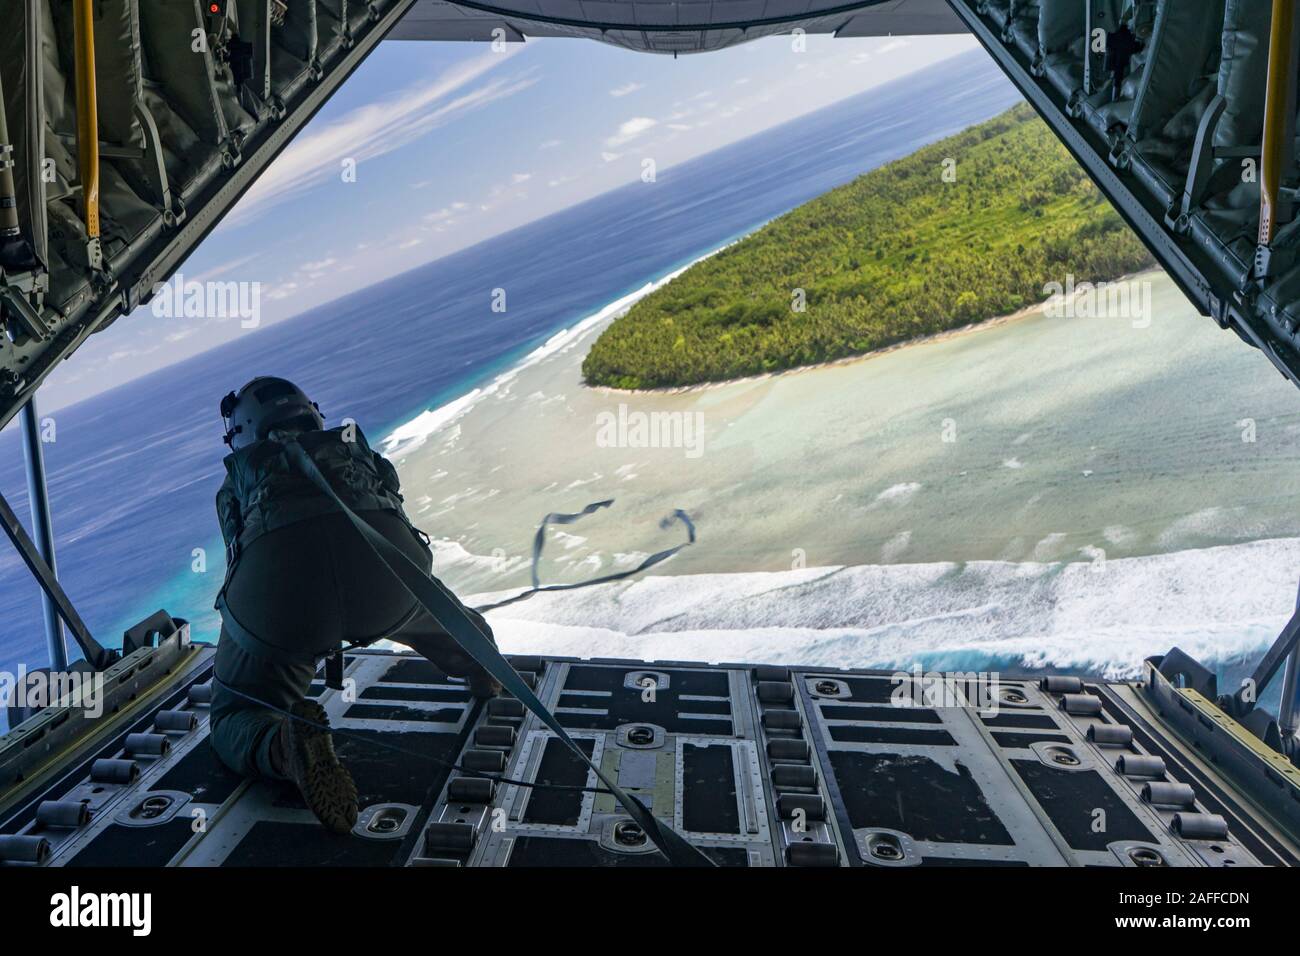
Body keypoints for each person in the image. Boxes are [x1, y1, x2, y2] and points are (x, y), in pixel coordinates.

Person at [208, 376, 499, 834]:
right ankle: (481, 667)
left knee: (234, 714)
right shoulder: (350, 449)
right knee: (454, 624)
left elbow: (237, 557)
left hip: (286, 603)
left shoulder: (238, 479)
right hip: (386, 580)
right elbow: (394, 510)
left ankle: (284, 746)